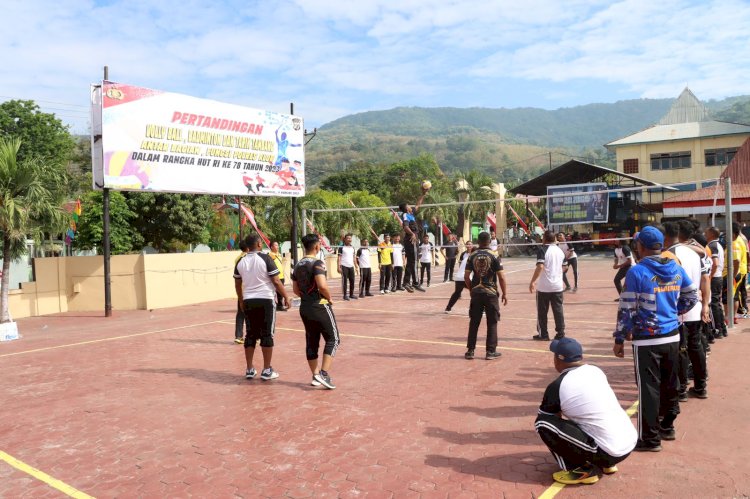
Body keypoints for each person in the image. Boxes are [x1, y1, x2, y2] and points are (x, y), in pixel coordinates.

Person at [613, 226, 698, 451]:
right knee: (670, 383)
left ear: (640, 247)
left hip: (646, 340)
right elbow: (691, 295)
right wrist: (675, 311)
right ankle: (667, 426)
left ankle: (649, 438)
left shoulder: (637, 271)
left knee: (648, 389)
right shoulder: (675, 267)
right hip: (672, 336)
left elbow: (627, 307)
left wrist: (620, 337)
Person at [536, 338, 637, 485]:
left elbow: (553, 419)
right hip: (628, 443)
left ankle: (579, 469)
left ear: (558, 359)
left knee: (543, 424)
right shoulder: (595, 370)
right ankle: (607, 465)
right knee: (586, 417)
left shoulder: (558, 385)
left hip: (609, 451)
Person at [234, 234, 291, 381]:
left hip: (248, 301)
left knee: (250, 334)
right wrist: (286, 296)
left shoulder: (240, 261)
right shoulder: (266, 259)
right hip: (266, 300)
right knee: (267, 334)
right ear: (259, 244)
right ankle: (266, 370)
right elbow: (276, 281)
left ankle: (249, 369)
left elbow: (237, 284)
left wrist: (241, 300)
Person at [664, 221, 710, 400]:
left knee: (681, 349)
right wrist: (704, 304)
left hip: (680, 309)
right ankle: (700, 386)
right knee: (696, 347)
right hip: (695, 306)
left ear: (667, 236)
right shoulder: (696, 253)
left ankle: (681, 388)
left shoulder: (670, 254)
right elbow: (705, 279)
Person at [292, 234, 340, 389]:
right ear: (317, 246)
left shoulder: (298, 264)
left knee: (312, 341)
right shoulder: (317, 263)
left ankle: (315, 375)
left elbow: (295, 289)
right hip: (319, 305)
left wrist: (306, 296)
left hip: (305, 307)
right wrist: (329, 298)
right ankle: (324, 374)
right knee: (333, 339)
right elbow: (322, 285)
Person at [464, 232, 508, 360]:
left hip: (476, 293)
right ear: (489, 241)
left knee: (474, 321)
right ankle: (490, 351)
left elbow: (466, 276)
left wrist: (471, 289)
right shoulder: (494, 255)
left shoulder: (472, 255)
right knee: (492, 322)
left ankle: (470, 351)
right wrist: (505, 293)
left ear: (478, 241)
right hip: (491, 293)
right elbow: (501, 277)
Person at [530, 231, 566, 341]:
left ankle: (543, 334)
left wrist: (532, 281)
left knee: (542, 312)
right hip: (557, 286)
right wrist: (556, 274)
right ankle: (560, 333)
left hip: (544, 287)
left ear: (544, 239)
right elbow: (565, 267)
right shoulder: (560, 251)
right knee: (558, 310)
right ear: (554, 239)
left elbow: (540, 266)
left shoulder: (542, 250)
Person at [399, 187, 428, 292]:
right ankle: (415, 283)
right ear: (406, 208)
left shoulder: (411, 214)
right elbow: (405, 227)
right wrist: (412, 234)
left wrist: (423, 194)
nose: (411, 206)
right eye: (408, 205)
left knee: (411, 261)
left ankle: (406, 283)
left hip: (413, 238)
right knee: (414, 261)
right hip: (411, 239)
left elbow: (418, 204)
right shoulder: (406, 215)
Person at [705, 227, 727, 339]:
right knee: (717, 303)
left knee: (714, 304)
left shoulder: (712, 246)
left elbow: (715, 263)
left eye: (707, 232)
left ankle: (718, 329)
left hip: (715, 277)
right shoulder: (719, 245)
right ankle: (722, 328)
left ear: (712, 234)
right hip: (719, 276)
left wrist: (710, 276)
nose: (705, 233)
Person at [445, 241, 473, 313]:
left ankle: (448, 308)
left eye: (470, 244)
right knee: (476, 293)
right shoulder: (468, 255)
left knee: (457, 293)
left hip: (459, 277)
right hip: (465, 277)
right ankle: (478, 310)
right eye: (468, 244)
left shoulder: (470, 256)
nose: (469, 246)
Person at [233, 239, 249, 344]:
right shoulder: (247, 258)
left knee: (240, 313)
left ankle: (238, 336)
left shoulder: (238, 258)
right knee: (251, 314)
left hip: (242, 289)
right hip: (249, 289)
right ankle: (253, 336)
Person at [337, 234, 357, 301]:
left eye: (350, 238)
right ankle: (345, 295)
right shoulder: (341, 247)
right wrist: (338, 267)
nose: (349, 239)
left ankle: (351, 294)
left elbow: (354, 258)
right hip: (344, 266)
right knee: (344, 281)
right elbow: (339, 258)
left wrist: (356, 266)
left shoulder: (352, 247)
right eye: (348, 238)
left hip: (351, 266)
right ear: (345, 239)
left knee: (352, 281)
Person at [269, 241, 286, 312]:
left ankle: (279, 305)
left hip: (281, 275)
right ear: (272, 247)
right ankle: (274, 304)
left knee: (280, 291)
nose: (277, 246)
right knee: (274, 291)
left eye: (278, 245)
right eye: (275, 245)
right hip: (275, 276)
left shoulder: (279, 254)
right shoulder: (270, 255)